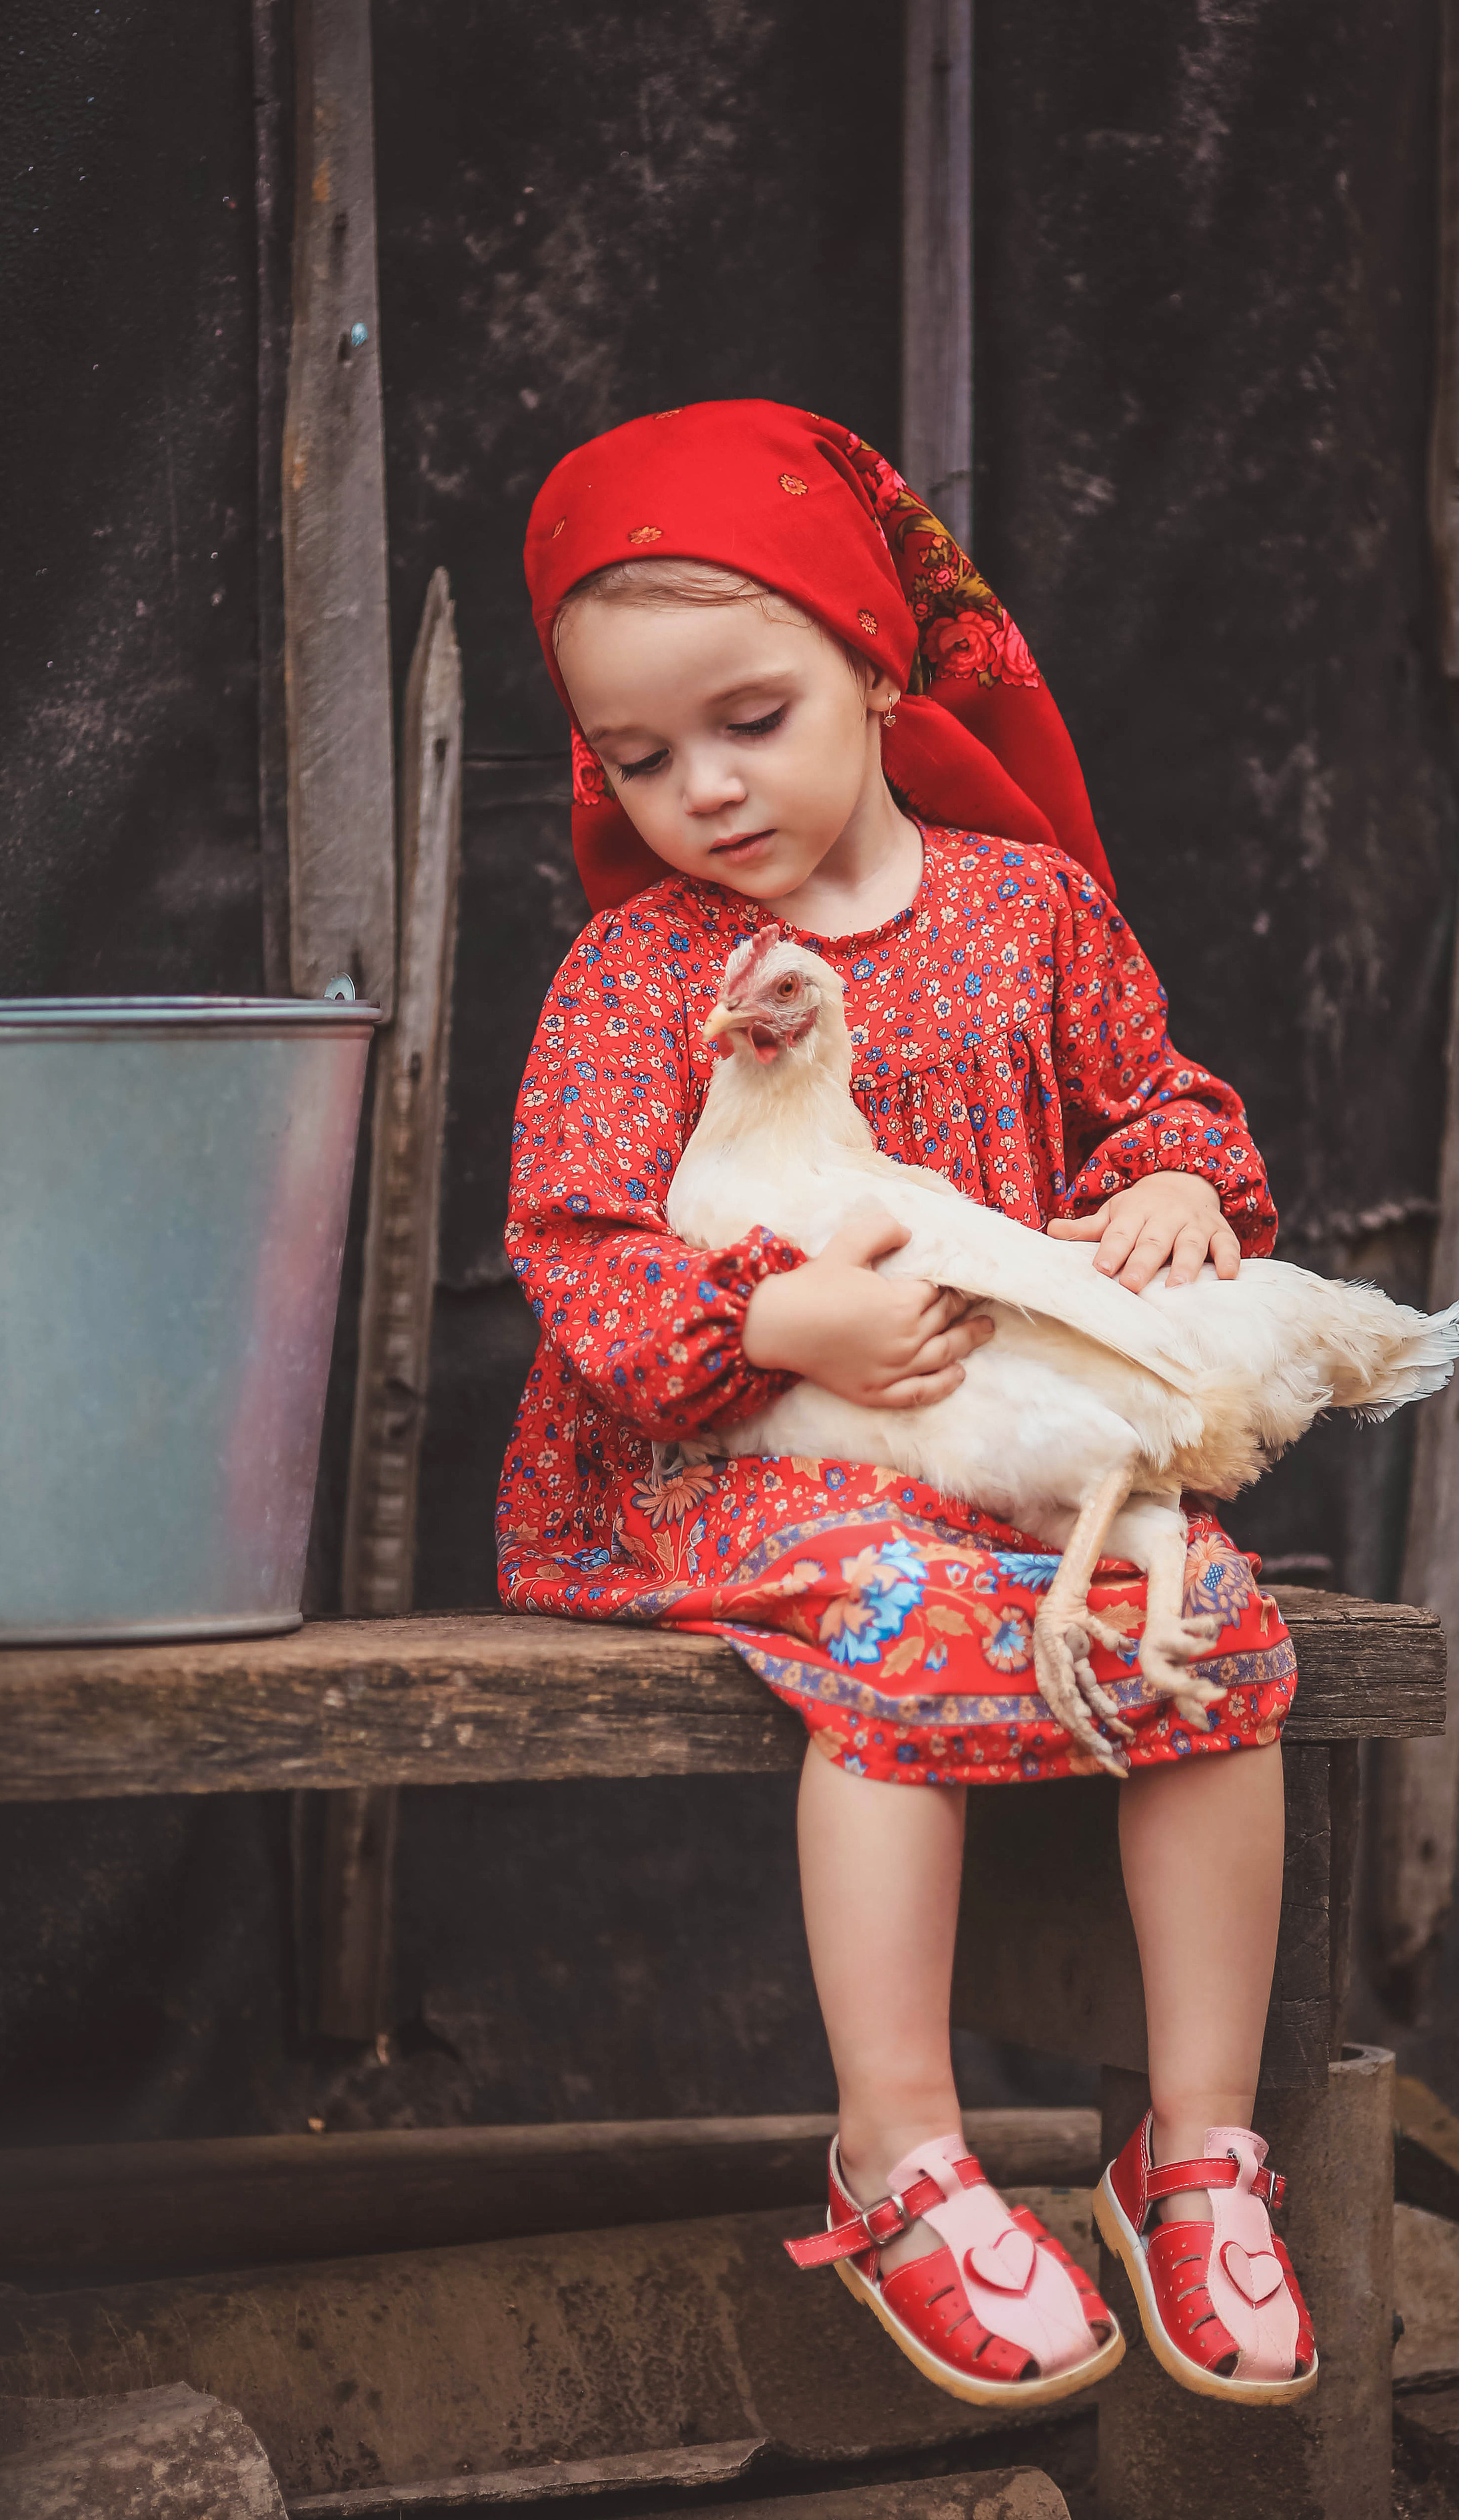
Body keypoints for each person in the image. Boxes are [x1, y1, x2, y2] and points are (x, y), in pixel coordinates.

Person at [498, 400, 1316, 2407]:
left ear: (876, 665)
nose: (703, 787)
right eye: (640, 755)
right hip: (729, 1460)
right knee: (908, 1629)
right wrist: (790, 1331)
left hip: (997, 1440)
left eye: (752, 717)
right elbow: (581, 1236)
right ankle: (903, 2149)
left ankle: (1195, 2146)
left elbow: (1164, 1102)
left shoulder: (1031, 910)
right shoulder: (639, 971)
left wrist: (1179, 1183)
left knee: (1209, 1626)